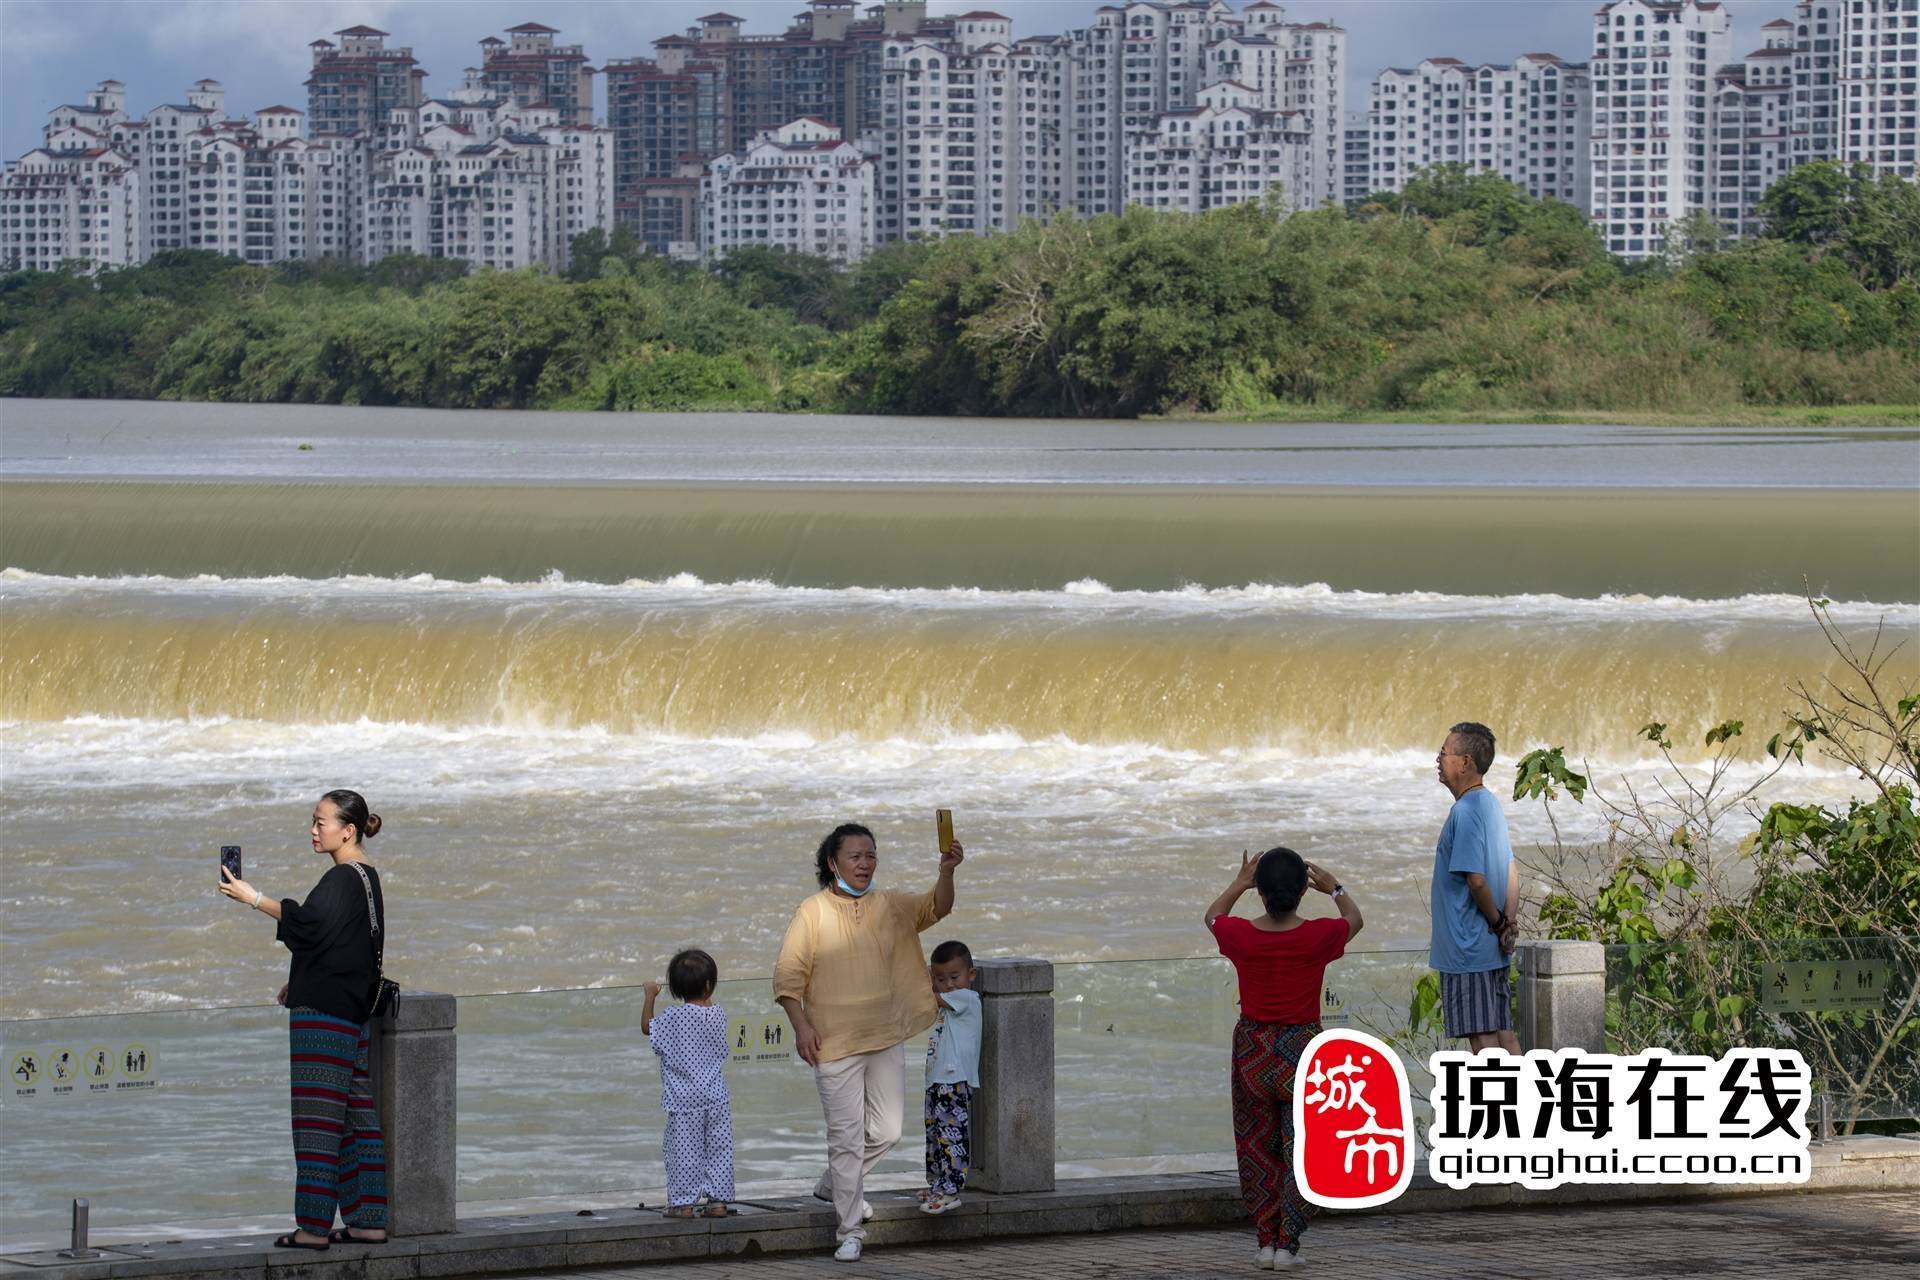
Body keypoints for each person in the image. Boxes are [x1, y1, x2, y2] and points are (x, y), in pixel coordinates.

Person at [774, 823, 963, 1263]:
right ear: (832, 863)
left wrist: (948, 870)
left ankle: (834, 1186)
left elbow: (938, 906)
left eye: (870, 855)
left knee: (887, 1130)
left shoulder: (891, 905)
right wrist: (801, 1026)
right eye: (855, 856)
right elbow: (788, 976)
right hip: (833, 1043)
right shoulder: (812, 912)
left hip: (884, 1035)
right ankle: (849, 1229)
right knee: (845, 1139)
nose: (864, 863)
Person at [217, 789, 390, 1252]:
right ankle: (368, 1221)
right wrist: (301, 981)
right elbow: (343, 944)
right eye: (312, 822)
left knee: (317, 1121)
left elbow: (308, 926)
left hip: (325, 1019)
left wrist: (253, 898)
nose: (314, 830)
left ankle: (312, 1228)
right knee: (356, 1118)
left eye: (321, 822)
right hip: (351, 1010)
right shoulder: (366, 878)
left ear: (347, 830)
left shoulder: (340, 880)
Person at [1205, 846, 1362, 1271]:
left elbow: (1212, 917)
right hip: (1303, 1049)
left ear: (1261, 893)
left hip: (1254, 1048)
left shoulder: (1241, 936)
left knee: (1257, 1147)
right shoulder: (1318, 936)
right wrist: (1336, 888)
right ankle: (1287, 1245)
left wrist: (1239, 882)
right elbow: (1355, 920)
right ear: (1301, 893)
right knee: (1303, 1150)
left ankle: (1264, 1241)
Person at [1430, 721, 1522, 1054]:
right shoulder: (1490, 805)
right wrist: (1507, 924)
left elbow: (1476, 880)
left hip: (1467, 950)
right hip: (1490, 948)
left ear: (1465, 762)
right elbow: (1512, 871)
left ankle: (1501, 1106)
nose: (1438, 760)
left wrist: (1498, 922)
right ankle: (1528, 1102)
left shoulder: (1465, 812)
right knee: (1504, 1034)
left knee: (1482, 1040)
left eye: (1444, 753)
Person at [643, 949, 735, 1219]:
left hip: (684, 1100)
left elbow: (648, 1027)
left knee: (684, 1152)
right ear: (709, 985)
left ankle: (683, 1204)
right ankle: (717, 1202)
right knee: (718, 1149)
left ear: (675, 988)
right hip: (716, 1096)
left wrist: (650, 995)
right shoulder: (718, 1014)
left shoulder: (674, 1017)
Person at [920, 939, 981, 1215]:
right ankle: (937, 1185)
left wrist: (919, 979)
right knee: (935, 1136)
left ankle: (952, 1189)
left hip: (954, 1081)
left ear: (971, 974)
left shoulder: (967, 998)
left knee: (951, 1136)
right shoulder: (949, 1003)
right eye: (941, 979)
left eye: (954, 977)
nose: (949, 984)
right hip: (937, 1081)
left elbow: (928, 996)